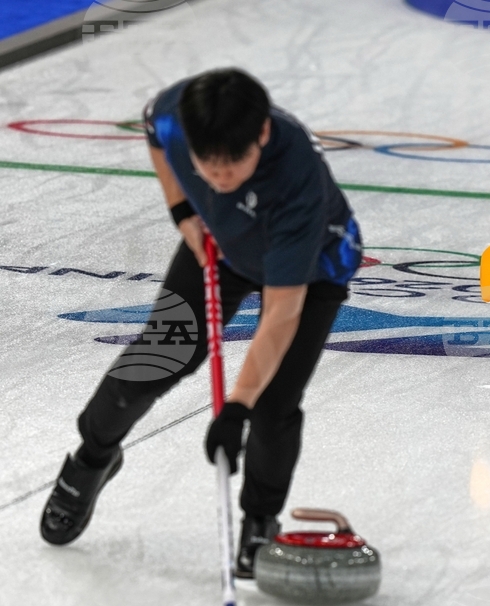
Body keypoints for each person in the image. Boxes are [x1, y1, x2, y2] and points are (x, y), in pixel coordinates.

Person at [39, 68, 363, 578]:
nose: (219, 177)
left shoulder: (294, 178)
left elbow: (280, 314)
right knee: (162, 353)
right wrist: (183, 211)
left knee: (273, 402)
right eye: (205, 166)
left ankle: (259, 518)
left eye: (233, 164)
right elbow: (155, 135)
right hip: (221, 243)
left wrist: (235, 408)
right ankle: (92, 457)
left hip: (312, 267)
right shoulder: (177, 116)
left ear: (260, 135)